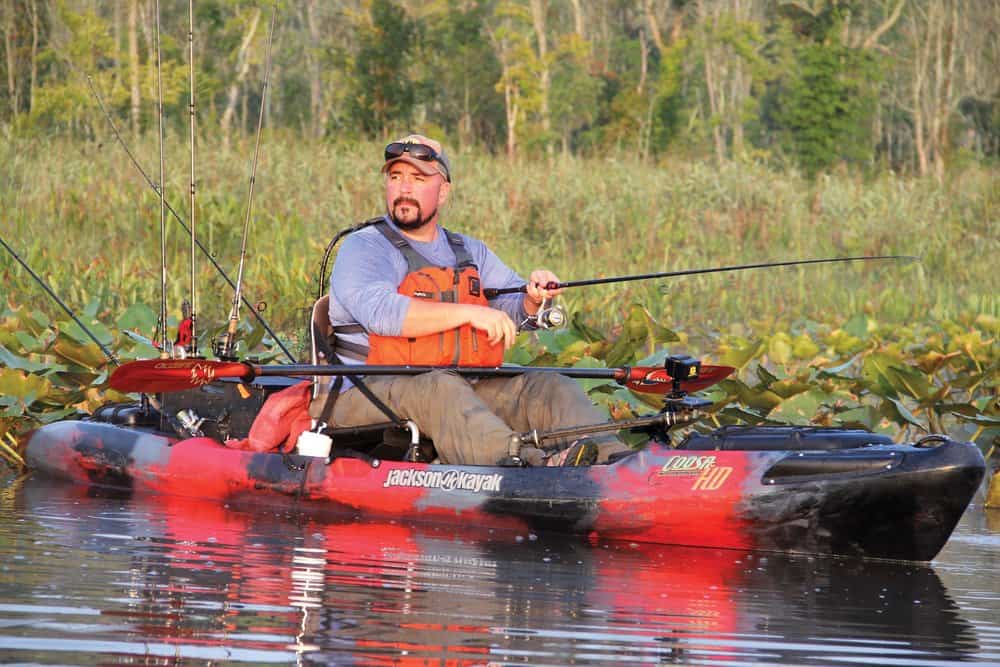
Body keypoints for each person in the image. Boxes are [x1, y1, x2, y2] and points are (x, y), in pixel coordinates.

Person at [318, 134, 628, 466]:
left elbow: (510, 302)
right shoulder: (364, 247)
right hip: (362, 394)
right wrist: (468, 314)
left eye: (418, 178)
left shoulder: (468, 251)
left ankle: (619, 463)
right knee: (440, 388)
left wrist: (532, 300)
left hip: (457, 388)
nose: (404, 188)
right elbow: (381, 313)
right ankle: (533, 467)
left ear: (443, 190)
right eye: (396, 177)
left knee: (549, 387)